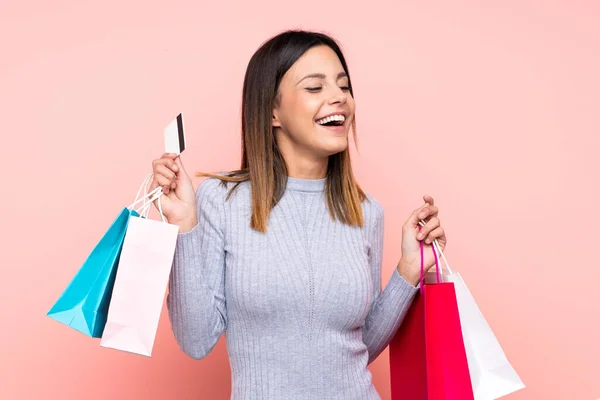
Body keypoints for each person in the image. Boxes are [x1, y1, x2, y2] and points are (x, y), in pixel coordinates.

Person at [150, 29, 447, 400]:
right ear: (272, 110)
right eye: (315, 88)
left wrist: (408, 271)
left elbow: (357, 347)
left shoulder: (366, 212)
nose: (339, 98)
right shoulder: (220, 200)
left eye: (344, 86)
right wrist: (184, 229)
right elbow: (196, 340)